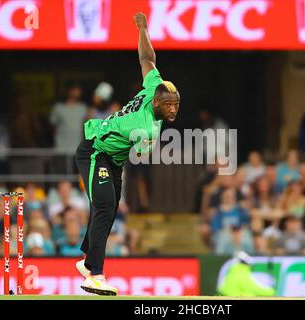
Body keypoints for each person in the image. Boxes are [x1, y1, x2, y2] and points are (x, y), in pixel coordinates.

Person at [74, 12, 180, 296]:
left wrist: (143, 29)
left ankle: (87, 260)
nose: (172, 110)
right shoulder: (148, 129)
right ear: (156, 102)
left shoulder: (151, 86)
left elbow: (148, 60)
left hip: (113, 159)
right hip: (95, 150)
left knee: (106, 210)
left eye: (176, 105)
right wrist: (146, 147)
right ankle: (94, 274)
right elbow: (143, 152)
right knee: (106, 207)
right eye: (168, 105)